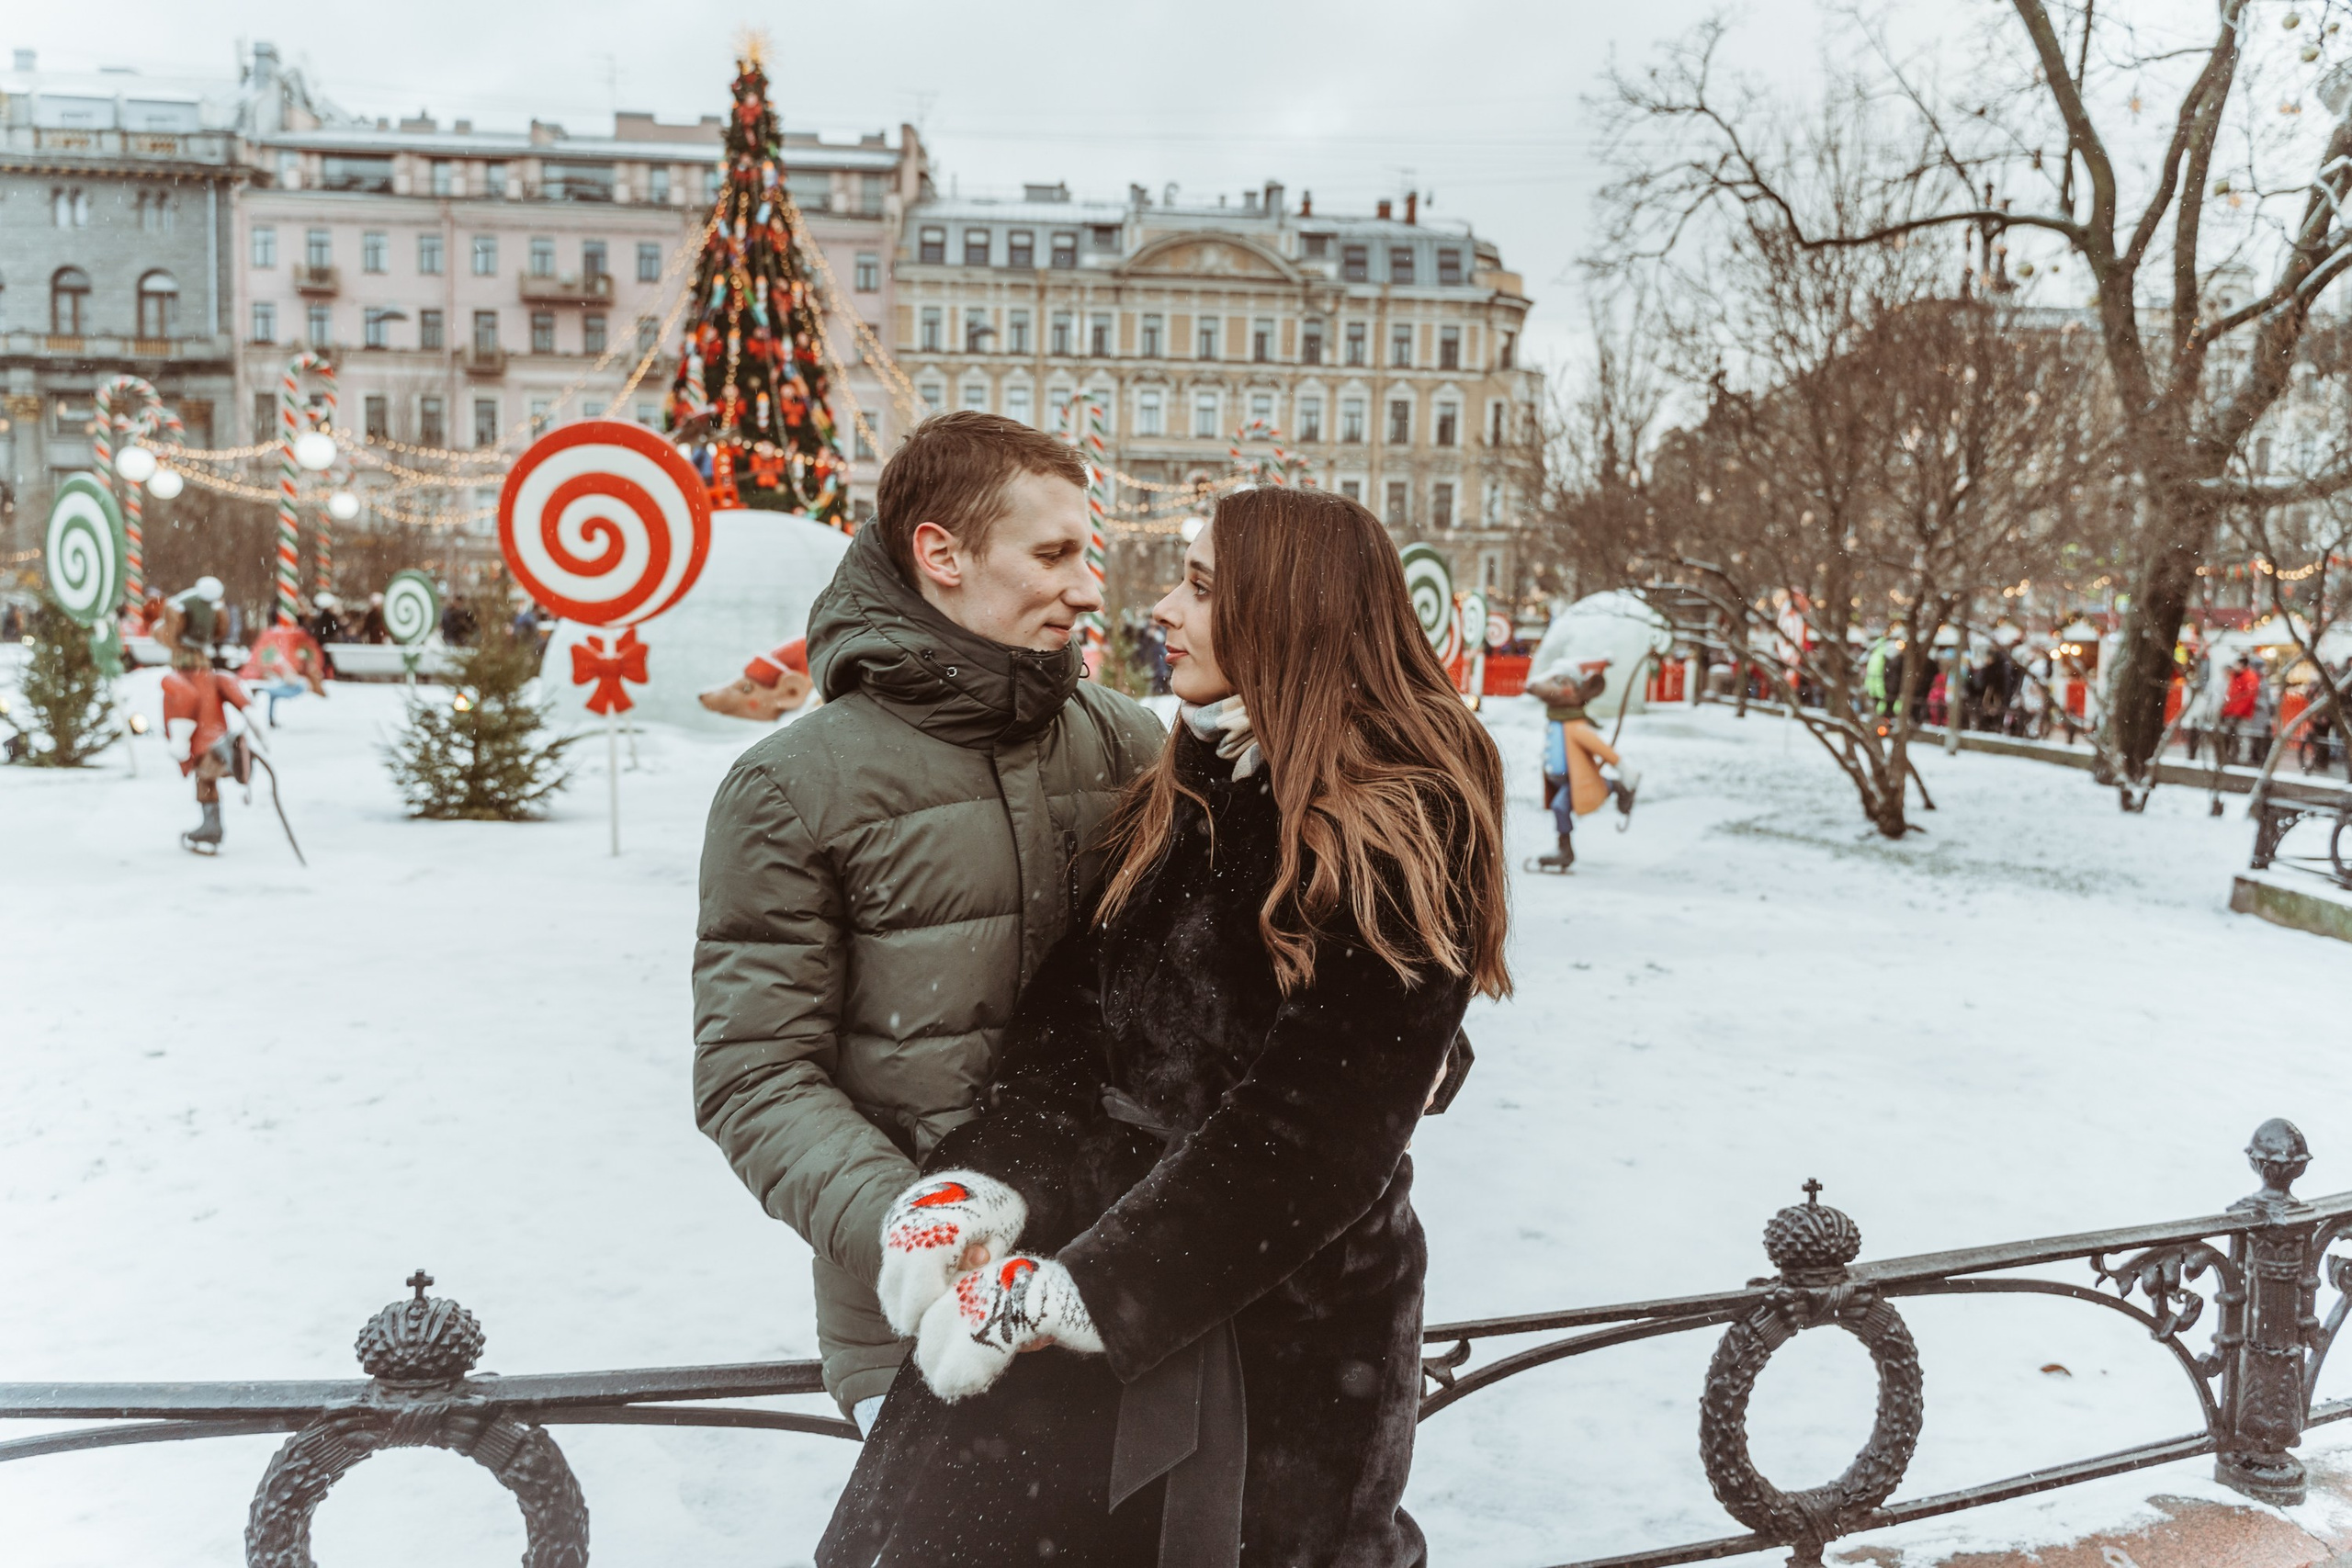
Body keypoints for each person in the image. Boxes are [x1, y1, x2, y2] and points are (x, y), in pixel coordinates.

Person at [820, 485, 1506, 1568]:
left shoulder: (1404, 814)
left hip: (1279, 1336)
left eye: (1197, 587)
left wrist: (1094, 1291)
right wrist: (984, 1181)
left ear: (1287, 611)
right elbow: (1073, 1027)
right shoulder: (1189, 774)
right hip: (1091, 1264)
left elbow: (1314, 1132)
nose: (1162, 613)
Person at [693, 411, 1165, 1433]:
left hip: (1116, 1295)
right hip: (918, 1328)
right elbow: (753, 1071)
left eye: (1087, 554)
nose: (1088, 589)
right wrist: (909, 1225)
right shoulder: (791, 787)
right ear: (941, 555)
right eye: (1052, 554)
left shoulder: (1129, 744)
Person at [159, 589, 253, 854]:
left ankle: (212, 827)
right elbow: (231, 687)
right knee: (206, 781)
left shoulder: (178, 678)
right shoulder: (211, 675)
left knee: (205, 778)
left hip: (201, 741)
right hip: (216, 735)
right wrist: (250, 711)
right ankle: (211, 825)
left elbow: (186, 698)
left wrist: (179, 738)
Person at [1525, 666, 1640, 873]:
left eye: (1565, 684)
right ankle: (1565, 848)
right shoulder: (1557, 719)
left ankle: (1565, 850)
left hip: (1575, 779)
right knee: (1560, 806)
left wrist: (1622, 766)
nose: (1559, 689)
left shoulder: (1574, 725)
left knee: (1561, 807)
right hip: (1562, 779)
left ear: (1578, 691)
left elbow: (1599, 747)